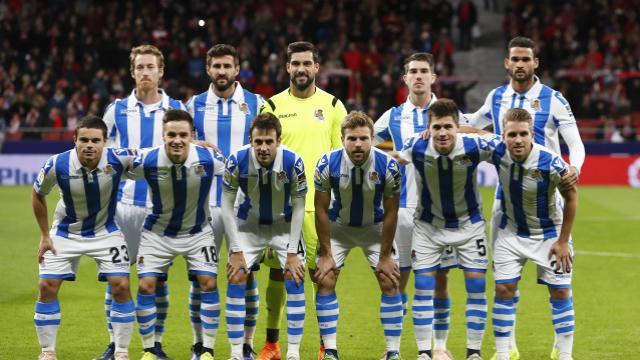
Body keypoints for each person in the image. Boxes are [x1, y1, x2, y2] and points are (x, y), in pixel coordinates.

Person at [464, 36, 584, 360]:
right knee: (504, 281)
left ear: (535, 63)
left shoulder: (553, 99)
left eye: (525, 59)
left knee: (559, 286)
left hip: (548, 193)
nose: (519, 64)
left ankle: (563, 349)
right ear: (507, 63)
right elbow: (472, 126)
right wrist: (438, 120)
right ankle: (508, 347)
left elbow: (575, 142)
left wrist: (575, 168)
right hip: (506, 201)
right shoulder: (496, 97)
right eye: (514, 59)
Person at [258, 41, 347, 360]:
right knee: (279, 274)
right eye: (295, 63)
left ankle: (326, 346)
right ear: (287, 68)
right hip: (281, 210)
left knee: (322, 274)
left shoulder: (334, 105)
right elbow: (260, 158)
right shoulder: (271, 106)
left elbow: (343, 159)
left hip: (320, 209)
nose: (301, 69)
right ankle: (272, 344)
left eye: (306, 63)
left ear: (316, 67)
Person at [99, 44, 186, 360]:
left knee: (156, 281)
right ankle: (115, 343)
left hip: (161, 210)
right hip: (122, 208)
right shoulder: (117, 110)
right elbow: (100, 152)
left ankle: (155, 344)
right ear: (132, 71)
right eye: (140, 67)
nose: (145, 72)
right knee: (116, 279)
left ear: (161, 71)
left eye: (151, 67)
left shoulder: (176, 109)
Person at [373, 53, 458, 359]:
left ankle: (439, 347)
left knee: (439, 278)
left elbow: (472, 134)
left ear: (434, 77)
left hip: (437, 212)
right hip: (402, 210)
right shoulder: (393, 116)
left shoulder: (446, 113)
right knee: (397, 277)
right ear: (404, 78)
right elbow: (365, 144)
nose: (419, 76)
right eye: (413, 71)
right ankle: (392, 350)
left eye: (424, 71)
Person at [398, 99, 496, 360]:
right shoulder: (417, 146)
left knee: (476, 286)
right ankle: (424, 352)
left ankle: (473, 352)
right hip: (428, 226)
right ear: (428, 128)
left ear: (458, 127)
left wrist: (472, 131)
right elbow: (392, 163)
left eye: (448, 127)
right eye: (437, 127)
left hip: (469, 225)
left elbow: (508, 143)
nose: (442, 133)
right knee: (423, 286)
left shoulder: (474, 145)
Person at [32, 116, 137, 360]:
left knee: (121, 285)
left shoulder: (119, 158)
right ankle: (47, 352)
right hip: (65, 232)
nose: (89, 145)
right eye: (84, 140)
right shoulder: (57, 164)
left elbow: (156, 153)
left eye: (95, 140)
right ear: (75, 140)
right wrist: (45, 235)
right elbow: (38, 194)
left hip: (106, 231)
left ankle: (121, 352)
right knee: (47, 286)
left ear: (105, 142)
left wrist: (195, 145)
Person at [186, 43, 265, 359]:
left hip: (245, 206)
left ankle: (245, 343)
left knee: (246, 276)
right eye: (216, 66)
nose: (221, 72)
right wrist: (192, 141)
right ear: (208, 69)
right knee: (200, 277)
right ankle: (201, 343)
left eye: (227, 66)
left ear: (237, 69)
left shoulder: (257, 104)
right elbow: (172, 141)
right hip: (203, 205)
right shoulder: (193, 105)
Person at [128, 109, 226, 360]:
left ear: (192, 136)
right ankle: (150, 349)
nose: (177, 140)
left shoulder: (208, 159)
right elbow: (115, 165)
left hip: (198, 232)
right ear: (163, 135)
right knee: (146, 285)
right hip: (157, 233)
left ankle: (207, 349)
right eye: (171, 134)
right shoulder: (148, 159)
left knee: (208, 283)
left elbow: (237, 173)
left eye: (183, 134)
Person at [488, 109, 577, 360]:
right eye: (512, 134)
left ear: (532, 134)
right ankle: (504, 353)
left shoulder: (551, 161)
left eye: (523, 134)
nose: (518, 140)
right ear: (503, 135)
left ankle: (565, 354)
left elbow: (571, 198)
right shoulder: (496, 150)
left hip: (550, 234)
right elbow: (471, 134)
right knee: (504, 289)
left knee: (560, 291)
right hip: (511, 232)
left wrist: (562, 242)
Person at [314, 112, 403, 360]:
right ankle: (330, 351)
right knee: (325, 278)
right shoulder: (326, 163)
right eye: (352, 138)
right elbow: (320, 209)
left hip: (374, 229)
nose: (358, 144)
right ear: (342, 139)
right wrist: (327, 254)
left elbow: (391, 211)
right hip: (338, 228)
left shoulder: (389, 166)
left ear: (373, 139)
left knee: (390, 279)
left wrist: (385, 256)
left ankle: (393, 352)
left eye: (364, 138)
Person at [221, 113, 308, 360]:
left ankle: (292, 352)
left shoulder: (294, 162)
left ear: (279, 140)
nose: (263, 147)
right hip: (249, 227)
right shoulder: (237, 160)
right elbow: (227, 205)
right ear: (250, 140)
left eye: (269, 141)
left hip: (284, 226)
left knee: (295, 277)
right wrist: (236, 251)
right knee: (236, 276)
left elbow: (300, 206)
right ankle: (237, 353)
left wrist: (292, 253)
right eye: (258, 141)